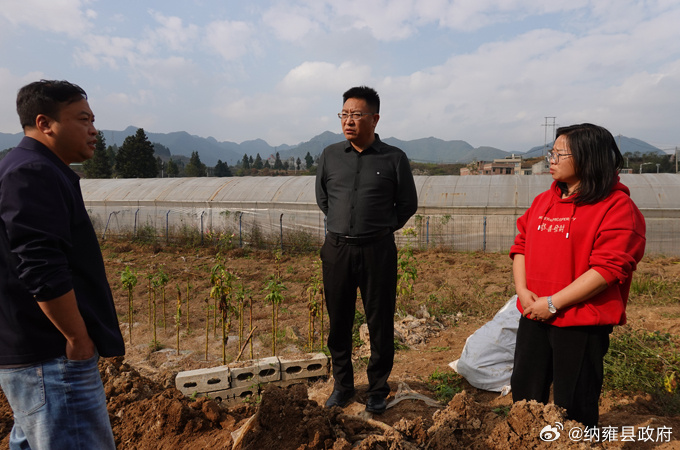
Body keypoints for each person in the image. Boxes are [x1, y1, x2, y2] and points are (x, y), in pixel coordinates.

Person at [0, 80, 125, 449]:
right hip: (51, 358)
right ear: (45, 123)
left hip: (33, 356)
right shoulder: (33, 172)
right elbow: (41, 267)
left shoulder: (23, 166)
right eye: (82, 119)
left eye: (93, 119)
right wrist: (77, 339)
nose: (93, 129)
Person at [510, 123, 646, 427]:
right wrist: (522, 291)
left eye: (559, 154)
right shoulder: (544, 202)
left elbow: (607, 270)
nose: (551, 160)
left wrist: (554, 303)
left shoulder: (616, 207)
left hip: (580, 321)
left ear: (587, 157)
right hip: (534, 313)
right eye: (551, 153)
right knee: (525, 396)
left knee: (575, 404)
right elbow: (520, 245)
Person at [315, 86, 418, 414]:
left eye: (356, 115)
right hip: (337, 251)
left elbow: (407, 205)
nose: (348, 121)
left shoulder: (394, 158)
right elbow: (323, 199)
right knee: (339, 322)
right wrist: (344, 226)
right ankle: (343, 387)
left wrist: (380, 229)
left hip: (378, 252)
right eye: (344, 114)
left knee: (380, 322)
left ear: (374, 118)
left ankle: (377, 390)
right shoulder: (330, 156)